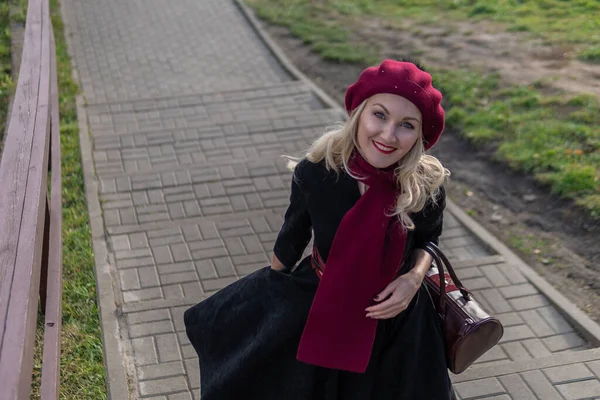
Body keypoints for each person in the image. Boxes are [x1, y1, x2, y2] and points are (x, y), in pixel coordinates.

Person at [184, 59, 455, 399]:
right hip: (324, 309)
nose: (388, 135)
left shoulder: (424, 184)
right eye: (380, 115)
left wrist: (414, 279)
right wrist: (265, 304)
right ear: (359, 113)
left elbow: (428, 240)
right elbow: (292, 237)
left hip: (401, 325)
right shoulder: (317, 173)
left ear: (420, 135)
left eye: (407, 125)